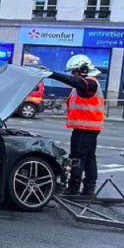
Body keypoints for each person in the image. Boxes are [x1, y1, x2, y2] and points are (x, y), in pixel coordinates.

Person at [47, 55, 105, 197]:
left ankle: (74, 188)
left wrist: (52, 74)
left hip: (86, 128)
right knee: (89, 157)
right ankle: (89, 189)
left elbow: (75, 82)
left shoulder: (90, 84)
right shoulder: (87, 84)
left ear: (84, 69)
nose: (73, 75)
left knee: (77, 158)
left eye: (75, 71)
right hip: (87, 128)